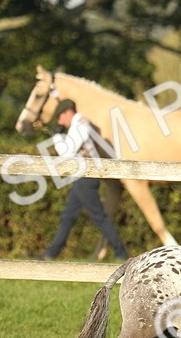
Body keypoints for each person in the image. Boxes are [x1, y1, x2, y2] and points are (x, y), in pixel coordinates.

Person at [40, 99, 130, 262]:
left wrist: (57, 136)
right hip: (82, 176)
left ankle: (121, 252)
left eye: (60, 118)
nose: (60, 122)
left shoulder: (81, 124)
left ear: (68, 112)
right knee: (68, 216)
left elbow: (66, 153)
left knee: (98, 217)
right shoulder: (78, 125)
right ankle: (51, 254)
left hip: (86, 176)